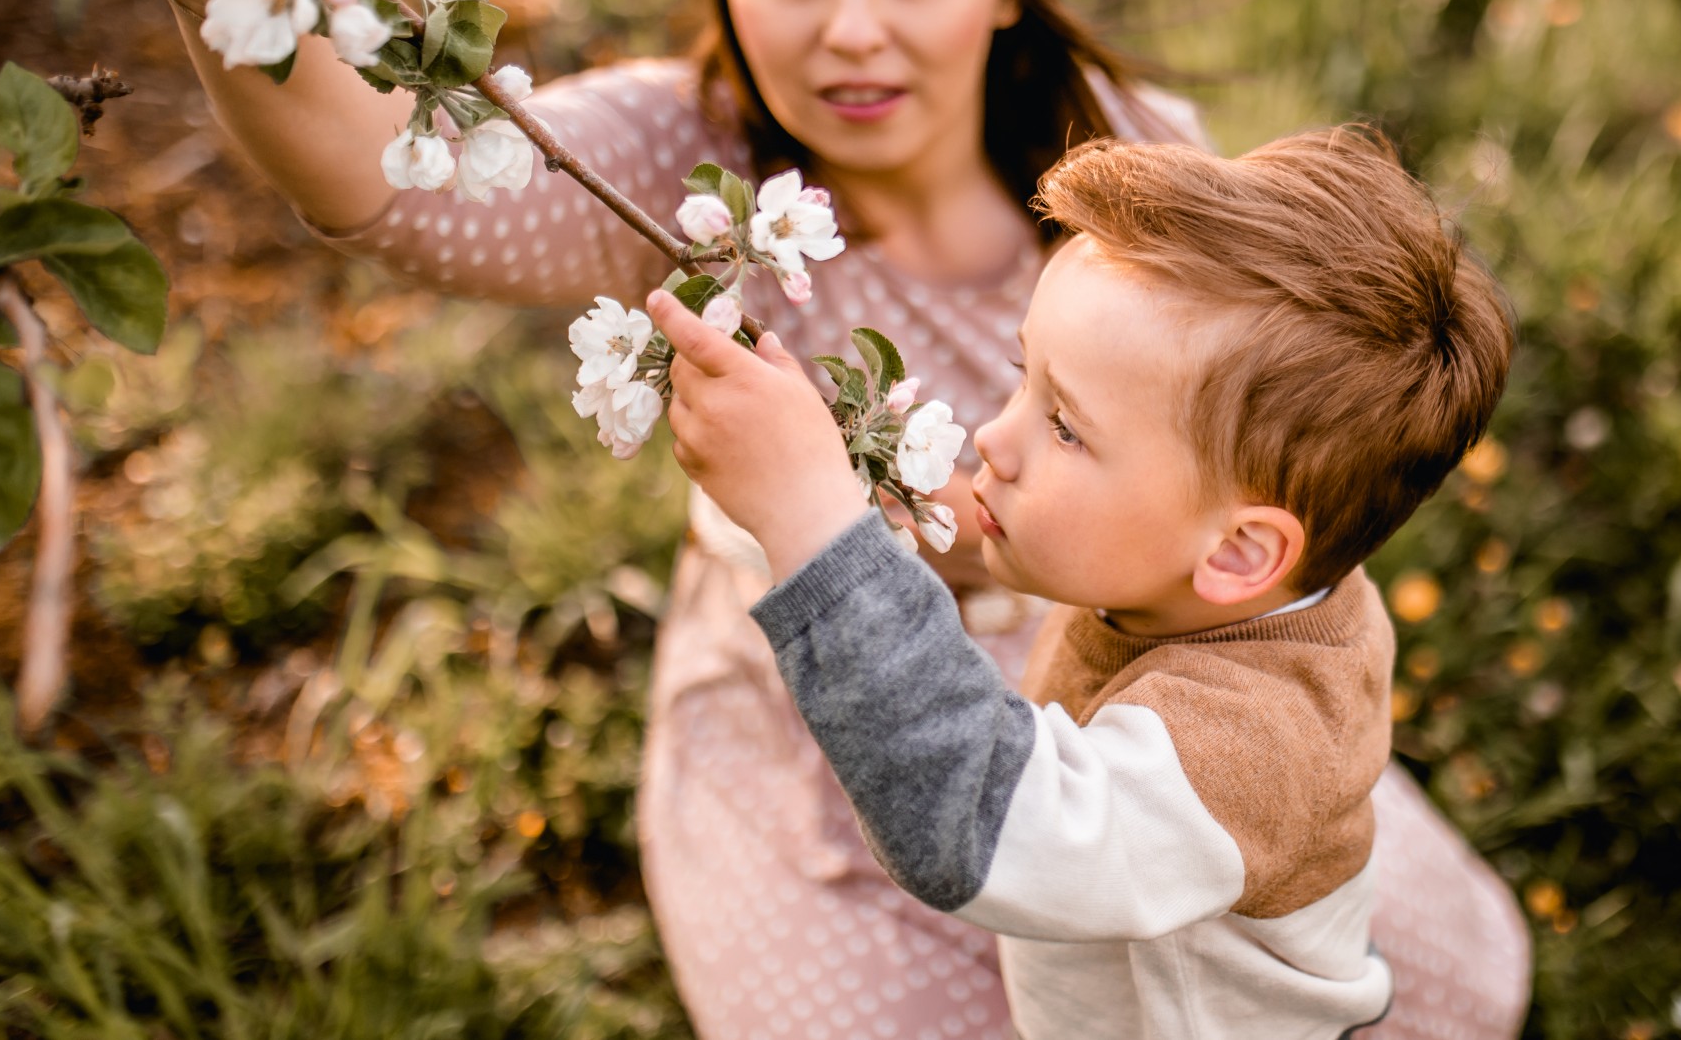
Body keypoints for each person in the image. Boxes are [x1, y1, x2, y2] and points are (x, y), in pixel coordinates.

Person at [132, 0, 1532, 1040]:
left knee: (1419, 976)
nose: (852, 28)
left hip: (1122, 681)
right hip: (816, 733)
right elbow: (388, 183)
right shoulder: (676, 165)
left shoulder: (1128, 172)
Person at [645, 128, 1513, 1039]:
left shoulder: (1244, 752)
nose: (993, 438)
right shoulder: (1248, 565)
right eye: (1026, 376)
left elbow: (970, 816)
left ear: (1238, 555)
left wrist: (810, 519)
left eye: (1066, 428)